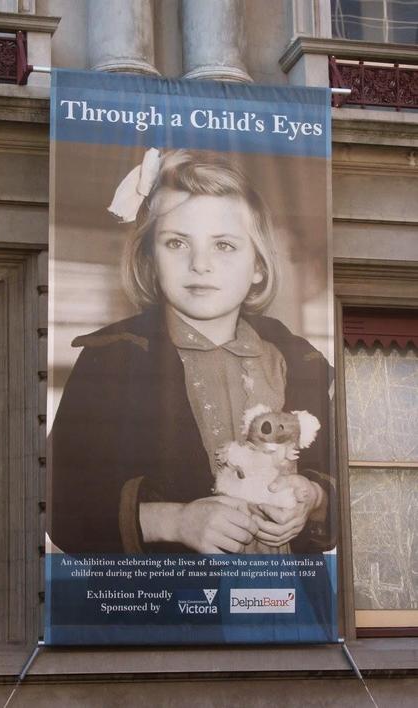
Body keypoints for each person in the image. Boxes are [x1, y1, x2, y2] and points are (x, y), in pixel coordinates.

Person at [49, 149, 335, 555]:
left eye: (224, 245)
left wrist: (314, 499)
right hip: (166, 607)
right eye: (177, 242)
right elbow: (60, 506)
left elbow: (339, 483)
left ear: (258, 265)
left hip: (286, 608)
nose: (200, 264)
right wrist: (174, 521)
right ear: (150, 258)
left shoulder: (299, 361)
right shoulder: (110, 359)